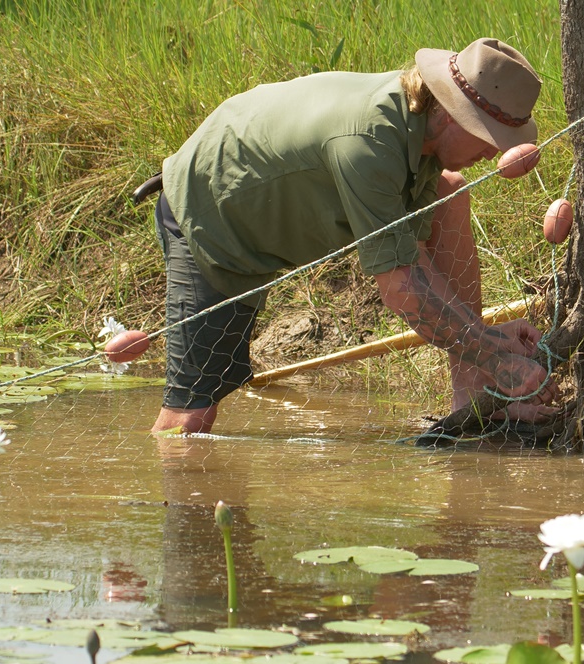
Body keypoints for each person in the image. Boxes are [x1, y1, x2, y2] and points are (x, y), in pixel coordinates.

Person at [148, 37, 559, 434]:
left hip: (262, 189)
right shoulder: (369, 143)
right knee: (190, 420)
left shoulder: (423, 133)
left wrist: (486, 340)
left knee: (449, 194)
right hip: (211, 211)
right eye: (488, 136)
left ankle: (474, 398)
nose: (494, 152)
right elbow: (403, 290)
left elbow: (416, 261)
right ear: (451, 113)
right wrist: (494, 355)